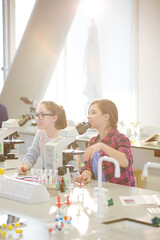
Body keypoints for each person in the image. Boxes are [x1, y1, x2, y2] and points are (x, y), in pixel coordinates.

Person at [77, 99, 135, 187]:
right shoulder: (93, 141)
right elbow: (87, 165)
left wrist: (102, 146)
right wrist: (86, 174)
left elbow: (125, 162)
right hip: (100, 191)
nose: (88, 116)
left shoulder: (120, 138)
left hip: (120, 192)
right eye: (89, 113)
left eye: (93, 113)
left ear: (106, 117)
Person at [18, 101, 67, 175]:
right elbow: (32, 153)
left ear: (54, 117)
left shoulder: (66, 136)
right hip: (47, 178)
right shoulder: (40, 133)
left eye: (41, 115)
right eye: (37, 115)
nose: (37, 118)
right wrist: (25, 165)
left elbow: (74, 167)